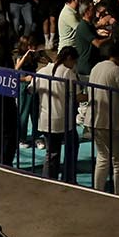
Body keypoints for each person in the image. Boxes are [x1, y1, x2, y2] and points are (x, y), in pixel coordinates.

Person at [87, 45, 119, 196]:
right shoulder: (117, 71)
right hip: (110, 122)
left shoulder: (96, 67)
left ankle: (98, 191)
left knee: (102, 158)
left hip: (93, 119)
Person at [35, 45, 81, 181]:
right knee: (71, 147)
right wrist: (94, 95)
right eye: (74, 61)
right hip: (63, 120)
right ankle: (68, 178)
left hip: (46, 118)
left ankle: (49, 179)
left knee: (51, 153)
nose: (74, 65)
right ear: (68, 59)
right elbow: (77, 96)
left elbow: (32, 88)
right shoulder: (68, 74)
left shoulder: (43, 70)